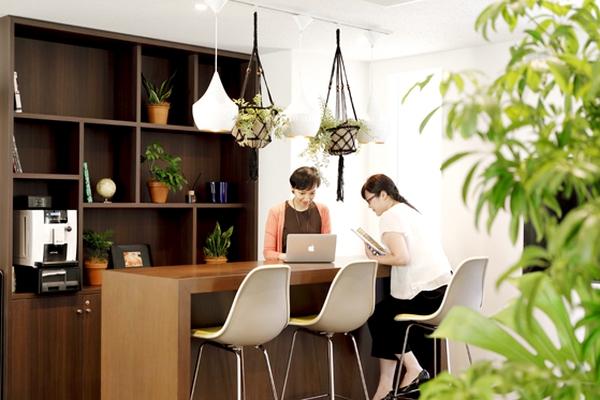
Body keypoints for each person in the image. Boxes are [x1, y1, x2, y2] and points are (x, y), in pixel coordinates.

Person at [360, 174, 452, 400]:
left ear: (383, 195)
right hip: (445, 292)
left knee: (379, 317)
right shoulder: (410, 211)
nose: (369, 206)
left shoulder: (390, 216)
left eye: (370, 200)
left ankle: (413, 370)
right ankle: (385, 388)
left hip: (427, 295)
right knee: (384, 314)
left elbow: (401, 258)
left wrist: (374, 258)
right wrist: (385, 255)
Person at [263, 166, 332, 261]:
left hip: (316, 267)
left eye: (312, 193)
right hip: (287, 267)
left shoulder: (323, 210)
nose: (307, 199)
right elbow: (268, 252)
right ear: (292, 189)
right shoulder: (276, 212)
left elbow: (327, 248)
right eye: (302, 193)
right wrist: (286, 257)